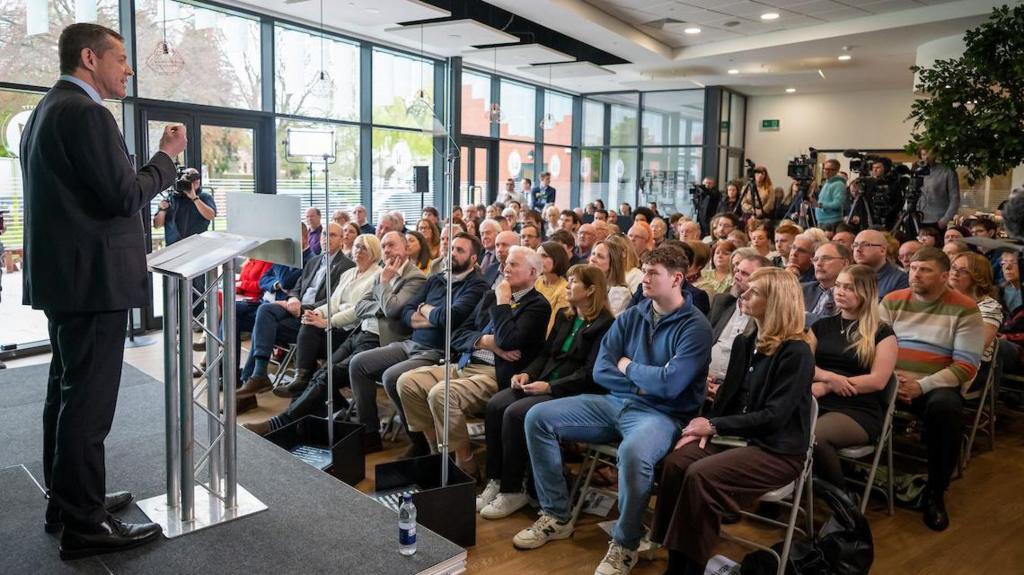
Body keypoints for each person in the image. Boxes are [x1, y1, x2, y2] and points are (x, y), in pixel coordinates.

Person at [22, 23, 186, 557]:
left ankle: (67, 502)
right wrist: (165, 158)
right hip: (93, 284)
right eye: (121, 59)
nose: (129, 69)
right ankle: (85, 526)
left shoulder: (47, 110)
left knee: (66, 400)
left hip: (67, 281)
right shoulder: (86, 113)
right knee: (88, 410)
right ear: (90, 59)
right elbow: (122, 196)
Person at [515, 246, 712, 575]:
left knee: (634, 453)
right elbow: (601, 370)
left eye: (653, 274)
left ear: (677, 279)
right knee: (537, 417)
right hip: (615, 401)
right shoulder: (635, 314)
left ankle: (625, 543)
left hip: (661, 415)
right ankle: (557, 515)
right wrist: (640, 381)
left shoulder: (695, 327)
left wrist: (628, 367)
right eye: (644, 271)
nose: (644, 279)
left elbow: (671, 385)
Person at [650, 267, 815, 575]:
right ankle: (674, 559)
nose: (744, 294)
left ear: (775, 301)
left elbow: (775, 417)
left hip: (776, 450)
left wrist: (714, 427)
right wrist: (701, 428)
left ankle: (690, 569)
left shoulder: (797, 351)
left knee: (701, 475)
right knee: (675, 463)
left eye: (754, 292)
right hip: (736, 437)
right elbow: (727, 400)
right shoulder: (745, 341)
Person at [244, 232, 427, 452]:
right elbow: (362, 307)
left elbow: (392, 309)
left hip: (382, 341)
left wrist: (384, 289)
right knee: (321, 373)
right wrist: (379, 304)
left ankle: (279, 424)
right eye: (385, 245)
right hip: (359, 333)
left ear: (406, 248)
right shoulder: (380, 275)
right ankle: (294, 424)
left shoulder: (413, 277)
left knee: (329, 375)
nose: (388, 250)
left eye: (392, 245)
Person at [397, 246, 551, 476]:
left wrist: (502, 302)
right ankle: (437, 453)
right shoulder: (491, 296)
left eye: (513, 264)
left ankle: (465, 461)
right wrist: (485, 342)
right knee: (407, 382)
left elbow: (508, 341)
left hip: (495, 374)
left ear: (532, 272)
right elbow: (457, 335)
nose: (505, 268)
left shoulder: (537, 305)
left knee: (441, 394)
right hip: (466, 363)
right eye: (506, 263)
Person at [478, 264, 615, 518]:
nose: (568, 285)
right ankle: (496, 480)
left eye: (573, 281)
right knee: (496, 405)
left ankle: (513, 489)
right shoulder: (566, 316)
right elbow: (544, 354)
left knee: (516, 413)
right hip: (543, 382)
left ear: (591, 289)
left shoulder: (606, 325)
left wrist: (550, 386)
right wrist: (527, 373)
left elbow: (589, 374)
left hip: (571, 391)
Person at [348, 233, 488, 458]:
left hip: (439, 351)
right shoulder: (436, 278)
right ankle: (370, 434)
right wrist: (428, 315)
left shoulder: (477, 286)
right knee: (359, 363)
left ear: (473, 259)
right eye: (451, 248)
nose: (451, 253)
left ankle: (420, 442)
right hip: (411, 343)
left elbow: (449, 317)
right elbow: (404, 313)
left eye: (460, 250)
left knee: (392, 377)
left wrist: (423, 309)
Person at [880, 247, 984, 531]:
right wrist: (891, 378)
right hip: (891, 379)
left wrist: (920, 386)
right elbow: (875, 347)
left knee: (947, 409)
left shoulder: (965, 308)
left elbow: (966, 367)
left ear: (944, 276)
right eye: (913, 268)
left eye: (924, 270)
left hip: (934, 386)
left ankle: (935, 493)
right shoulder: (892, 301)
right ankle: (844, 476)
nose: (916, 274)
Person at [236, 223, 353, 411]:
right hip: (296, 309)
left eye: (332, 235)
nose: (326, 238)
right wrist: (292, 299)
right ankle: (259, 374)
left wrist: (301, 306)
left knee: (263, 326)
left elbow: (333, 301)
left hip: (315, 319)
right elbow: (296, 287)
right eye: (324, 234)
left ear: (342, 240)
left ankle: (253, 381)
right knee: (264, 313)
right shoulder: (315, 261)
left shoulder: (347, 267)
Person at [810, 265, 898, 490]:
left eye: (848, 288)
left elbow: (878, 380)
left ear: (866, 292)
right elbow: (804, 365)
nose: (839, 291)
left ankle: (844, 505)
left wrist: (829, 386)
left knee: (816, 436)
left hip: (858, 408)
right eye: (838, 285)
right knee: (779, 425)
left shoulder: (882, 332)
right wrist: (829, 377)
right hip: (816, 399)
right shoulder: (821, 326)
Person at [284, 234, 382, 396]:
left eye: (364, 247)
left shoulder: (378, 275)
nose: (358, 250)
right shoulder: (348, 273)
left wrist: (327, 322)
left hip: (352, 332)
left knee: (322, 368)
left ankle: (306, 383)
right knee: (308, 323)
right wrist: (316, 313)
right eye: (356, 246)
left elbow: (358, 310)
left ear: (374, 252)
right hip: (335, 328)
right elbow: (334, 303)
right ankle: (301, 377)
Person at [705, 252, 772, 395]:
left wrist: (725, 390)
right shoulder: (722, 302)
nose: (736, 276)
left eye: (745, 273)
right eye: (737, 271)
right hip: (705, 382)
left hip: (738, 392)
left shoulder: (764, 315)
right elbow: (703, 343)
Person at [949, 252, 1003, 392]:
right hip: (938, 358)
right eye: (953, 267)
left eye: (963, 271)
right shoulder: (941, 298)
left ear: (977, 277)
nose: (955, 273)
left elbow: (976, 346)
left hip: (971, 366)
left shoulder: (990, 307)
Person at [802, 242, 851, 324]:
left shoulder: (852, 293)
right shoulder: (801, 290)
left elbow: (838, 324)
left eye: (826, 258)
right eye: (815, 259)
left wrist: (802, 317)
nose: (818, 264)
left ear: (845, 263)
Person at [853, 229, 908, 298]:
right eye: (855, 245)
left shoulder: (900, 279)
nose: (858, 249)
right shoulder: (849, 276)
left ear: (882, 250)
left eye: (865, 245)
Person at [589, 239, 633, 317]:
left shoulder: (620, 293)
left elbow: (608, 323)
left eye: (600, 256)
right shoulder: (585, 283)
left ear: (613, 264)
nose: (593, 259)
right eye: (593, 254)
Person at [918, 148, 960, 228]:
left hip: (938, 220)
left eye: (929, 154)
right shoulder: (918, 172)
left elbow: (955, 198)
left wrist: (945, 219)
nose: (926, 157)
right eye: (923, 154)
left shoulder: (947, 171)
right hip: (918, 219)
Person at [535, 241, 570, 335]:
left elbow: (552, 326)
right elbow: (517, 302)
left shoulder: (565, 290)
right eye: (537, 256)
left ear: (557, 258)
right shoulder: (536, 281)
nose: (539, 260)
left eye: (544, 256)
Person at [814, 159, 849, 226]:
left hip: (831, 221)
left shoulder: (839, 184)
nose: (826, 172)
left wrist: (820, 205)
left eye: (829, 169)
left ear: (836, 171)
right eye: (825, 169)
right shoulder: (827, 183)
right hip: (822, 220)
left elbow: (837, 204)